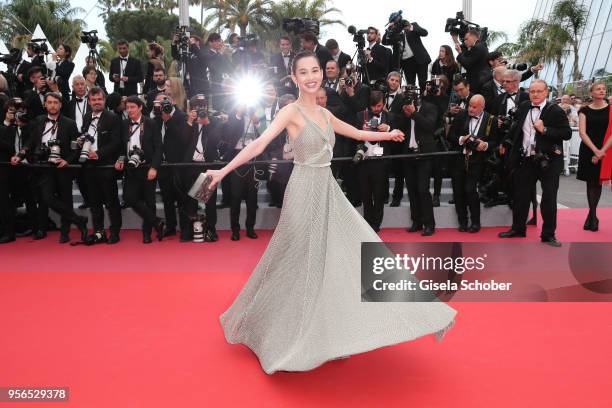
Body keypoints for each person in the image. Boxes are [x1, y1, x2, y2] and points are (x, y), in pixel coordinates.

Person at [206, 51, 456, 374]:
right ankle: (285, 333)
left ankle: (330, 335)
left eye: (316, 70)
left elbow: (357, 133)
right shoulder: (290, 112)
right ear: (294, 78)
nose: (311, 76)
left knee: (348, 254)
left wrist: (388, 134)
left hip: (327, 189)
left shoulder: (324, 115)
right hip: (302, 191)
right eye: (304, 72)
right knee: (297, 261)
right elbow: (258, 145)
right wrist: (222, 171)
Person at [498, 80, 572, 247]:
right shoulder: (524, 106)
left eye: (539, 91)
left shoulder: (555, 110)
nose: (536, 94)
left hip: (549, 161)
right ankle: (518, 229)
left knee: (549, 199)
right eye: (532, 91)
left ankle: (548, 234)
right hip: (526, 159)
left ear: (546, 92)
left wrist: (545, 130)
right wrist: (505, 141)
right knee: (521, 197)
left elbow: (567, 133)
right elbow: (516, 128)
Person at [576, 82, 610, 232]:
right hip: (588, 149)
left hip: (606, 149)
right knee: (590, 183)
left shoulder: (611, 109)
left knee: (597, 182)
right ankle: (593, 215)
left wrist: (602, 151)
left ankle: (592, 215)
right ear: (591, 93)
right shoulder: (584, 110)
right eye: (598, 89)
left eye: (603, 89)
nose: (602, 91)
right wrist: (595, 151)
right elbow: (582, 133)